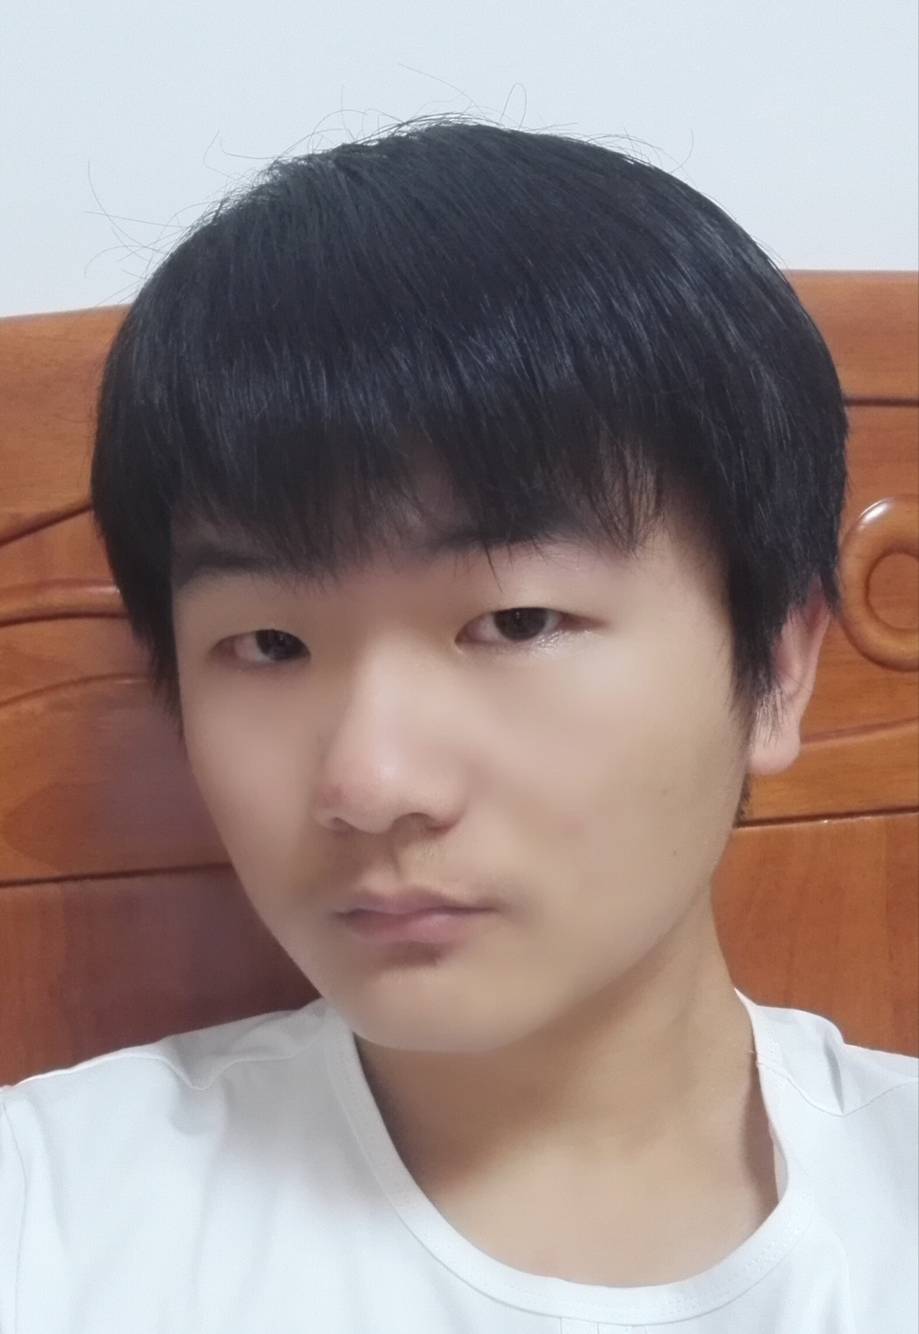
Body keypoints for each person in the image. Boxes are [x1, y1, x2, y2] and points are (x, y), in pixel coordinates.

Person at [1, 115, 916, 1333]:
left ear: (777, 669)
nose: (371, 782)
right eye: (268, 643)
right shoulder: (50, 1221)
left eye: (516, 620)